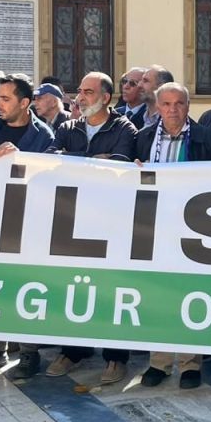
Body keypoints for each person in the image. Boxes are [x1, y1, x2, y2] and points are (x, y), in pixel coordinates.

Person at [46, 71, 139, 384]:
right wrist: (90, 158)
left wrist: (77, 162)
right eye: (79, 91)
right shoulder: (67, 127)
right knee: (73, 284)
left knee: (111, 286)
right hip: (72, 217)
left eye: (88, 91)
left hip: (110, 219)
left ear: (106, 98)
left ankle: (116, 357)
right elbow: (51, 162)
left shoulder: (124, 127)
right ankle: (74, 350)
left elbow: (118, 165)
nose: (80, 97)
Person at [133, 82, 211, 390]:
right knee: (158, 292)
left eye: (178, 103)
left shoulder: (207, 139)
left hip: (194, 225)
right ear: (157, 107)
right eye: (165, 104)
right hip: (155, 225)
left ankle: (191, 363)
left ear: (187, 106)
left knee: (189, 291)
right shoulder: (141, 139)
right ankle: (160, 362)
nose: (172, 110)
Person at [0, 74, 55, 376]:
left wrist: (21, 162)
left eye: (6, 99)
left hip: (30, 222)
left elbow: (52, 178)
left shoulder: (45, 135)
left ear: (24, 102)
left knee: (26, 284)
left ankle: (29, 353)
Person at [129, 65, 173, 130]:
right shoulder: (134, 120)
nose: (139, 85)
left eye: (145, 81)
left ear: (161, 87)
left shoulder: (175, 120)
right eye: (141, 80)